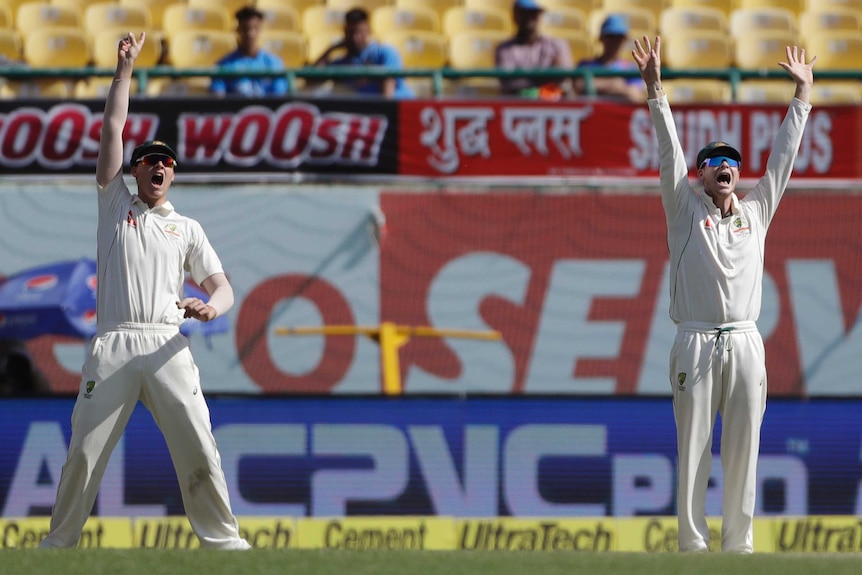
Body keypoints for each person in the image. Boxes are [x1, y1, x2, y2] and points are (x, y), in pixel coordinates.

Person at [40, 32, 250, 550]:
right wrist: (124, 70)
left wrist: (209, 305)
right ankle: (58, 545)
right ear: (133, 171)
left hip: (167, 345)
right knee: (85, 453)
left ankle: (225, 544)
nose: (159, 166)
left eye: (167, 162)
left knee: (199, 447)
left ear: (173, 174)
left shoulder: (187, 228)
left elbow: (223, 287)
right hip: (114, 343)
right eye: (150, 160)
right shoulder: (116, 203)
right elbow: (113, 126)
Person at [632, 36, 815, 553]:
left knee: (743, 450)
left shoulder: (756, 214)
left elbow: (783, 159)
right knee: (693, 450)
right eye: (714, 161)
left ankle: (740, 547)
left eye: (730, 160)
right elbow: (669, 153)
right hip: (694, 342)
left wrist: (802, 95)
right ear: (703, 175)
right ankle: (692, 546)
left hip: (745, 343)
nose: (724, 166)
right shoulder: (686, 213)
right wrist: (655, 89)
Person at [312, 7, 413, 98]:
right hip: (363, 113)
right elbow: (311, 79)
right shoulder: (343, 62)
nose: (355, 38)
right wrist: (331, 49)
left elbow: (388, 93)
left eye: (360, 32)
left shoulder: (385, 52)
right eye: (350, 33)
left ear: (368, 30)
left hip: (396, 110)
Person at [494, 0, 573, 100]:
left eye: (533, 13)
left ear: (540, 15)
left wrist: (529, 80)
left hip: (552, 104)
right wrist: (547, 76)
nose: (529, 18)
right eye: (523, 13)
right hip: (517, 103)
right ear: (515, 16)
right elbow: (510, 82)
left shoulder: (557, 44)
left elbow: (564, 76)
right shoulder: (504, 49)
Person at [210, 6, 288, 97]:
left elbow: (278, 99)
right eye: (245, 29)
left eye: (255, 28)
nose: (250, 34)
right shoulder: (223, 65)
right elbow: (218, 100)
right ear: (238, 30)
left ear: (260, 30)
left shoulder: (274, 63)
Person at [575, 14, 643, 102]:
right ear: (601, 38)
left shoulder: (630, 68)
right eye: (610, 36)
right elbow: (578, 86)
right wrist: (614, 84)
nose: (614, 41)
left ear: (625, 40)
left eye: (619, 37)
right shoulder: (585, 64)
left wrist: (594, 84)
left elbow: (634, 95)